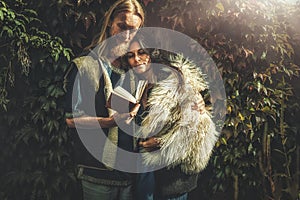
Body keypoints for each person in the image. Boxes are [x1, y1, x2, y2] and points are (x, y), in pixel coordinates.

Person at [64, 0, 145, 199]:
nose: (126, 35)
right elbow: (71, 120)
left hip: (127, 173)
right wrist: (110, 122)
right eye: (122, 26)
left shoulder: (133, 69)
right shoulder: (86, 65)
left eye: (133, 29)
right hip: (96, 171)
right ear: (110, 24)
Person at [124, 38, 219, 200]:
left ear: (152, 54)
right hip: (145, 170)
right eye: (130, 55)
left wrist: (162, 142)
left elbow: (198, 129)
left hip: (172, 172)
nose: (137, 59)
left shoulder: (178, 81)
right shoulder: (133, 86)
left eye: (141, 53)